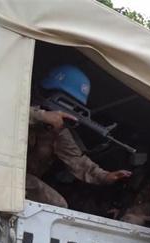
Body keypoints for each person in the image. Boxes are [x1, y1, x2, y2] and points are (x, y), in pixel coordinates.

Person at [27, 64, 131, 208]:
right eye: (64, 101)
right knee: (57, 204)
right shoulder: (23, 105)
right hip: (2, 167)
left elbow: (76, 159)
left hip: (22, 179)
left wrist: (104, 176)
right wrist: (41, 116)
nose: (68, 108)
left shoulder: (58, 130)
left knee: (58, 205)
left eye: (73, 105)